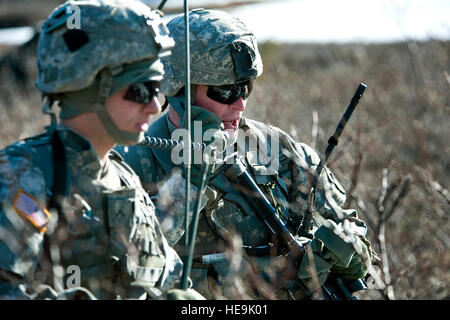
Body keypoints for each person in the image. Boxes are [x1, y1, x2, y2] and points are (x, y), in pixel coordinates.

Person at [117, 9, 376, 299]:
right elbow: (123, 271)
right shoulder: (132, 163)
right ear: (179, 91)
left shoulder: (278, 148)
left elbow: (354, 238)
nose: (240, 104)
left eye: (246, 88)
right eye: (225, 91)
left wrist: (346, 250)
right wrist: (188, 185)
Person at [0, 0, 203, 300]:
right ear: (88, 87)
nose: (155, 106)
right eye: (141, 90)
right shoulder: (24, 178)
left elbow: (165, 274)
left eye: (158, 89)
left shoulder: (123, 178)